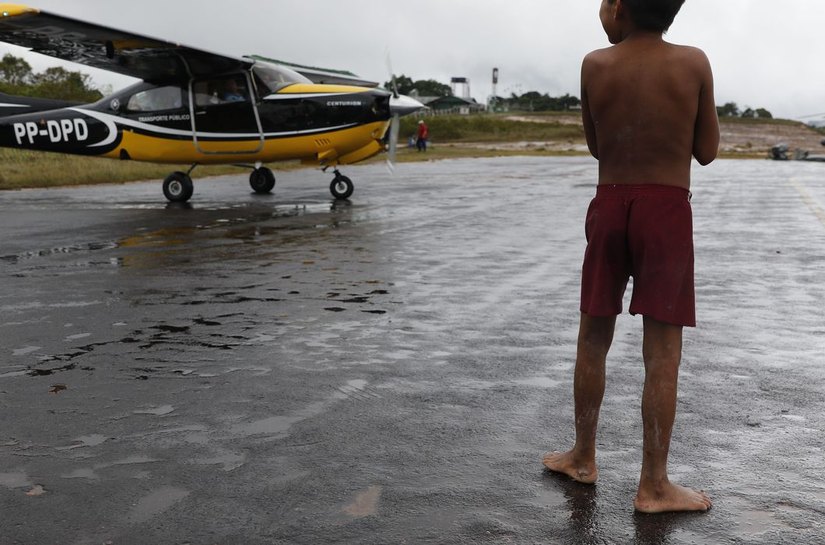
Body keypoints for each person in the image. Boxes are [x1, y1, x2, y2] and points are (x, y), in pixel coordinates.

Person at [542, 0, 720, 514]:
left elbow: (598, 146)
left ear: (619, 7)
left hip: (611, 201)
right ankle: (654, 485)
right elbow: (706, 151)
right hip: (666, 211)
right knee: (662, 352)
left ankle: (583, 456)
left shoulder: (595, 64)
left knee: (593, 335)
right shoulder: (693, 62)